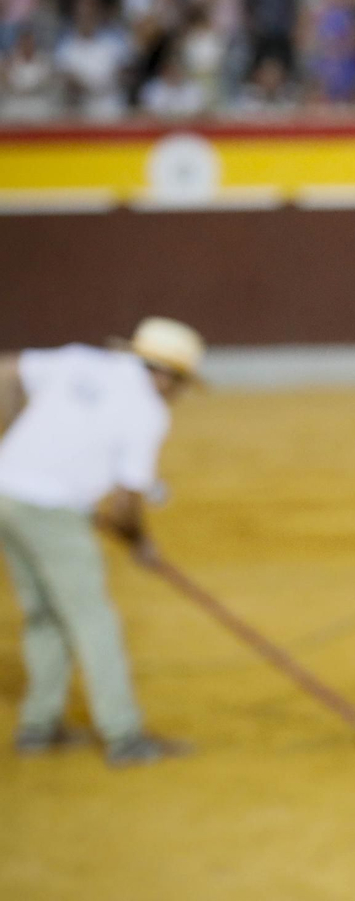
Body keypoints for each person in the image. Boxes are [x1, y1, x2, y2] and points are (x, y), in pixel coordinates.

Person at [0, 317, 203, 765]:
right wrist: (140, 545)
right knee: (95, 622)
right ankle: (124, 736)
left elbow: (9, 369)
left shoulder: (79, 361)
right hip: (52, 511)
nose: (179, 392)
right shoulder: (148, 412)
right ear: (165, 374)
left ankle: (38, 726)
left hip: (5, 493)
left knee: (44, 614)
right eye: (181, 382)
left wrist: (12, 440)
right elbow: (124, 506)